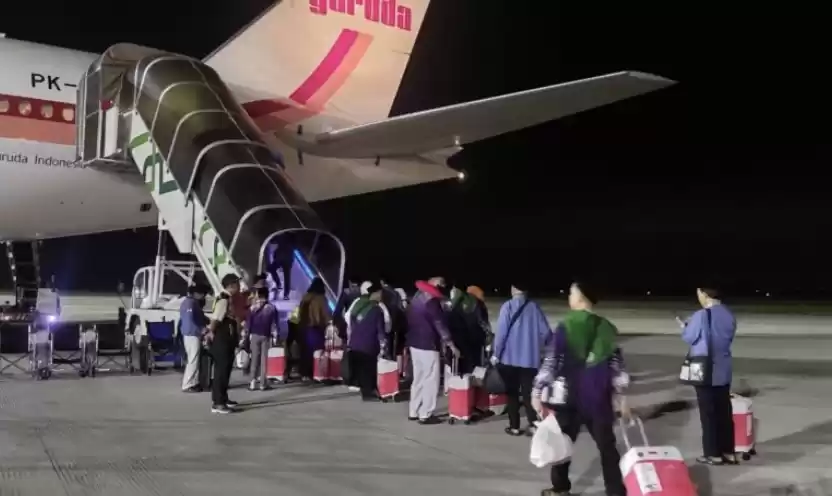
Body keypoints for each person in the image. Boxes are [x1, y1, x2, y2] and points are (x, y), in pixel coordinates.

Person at [532, 281, 629, 496]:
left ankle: (560, 488)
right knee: (607, 448)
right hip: (598, 397)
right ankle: (615, 491)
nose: (569, 297)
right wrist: (621, 398)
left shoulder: (566, 326)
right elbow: (617, 367)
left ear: (581, 297)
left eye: (571, 293)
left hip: (570, 396)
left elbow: (552, 362)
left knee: (561, 443)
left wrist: (537, 391)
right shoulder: (606, 328)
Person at [680, 286, 738, 465]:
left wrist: (685, 327)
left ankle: (713, 454)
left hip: (705, 369)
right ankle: (728, 452)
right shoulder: (729, 314)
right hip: (724, 369)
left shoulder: (701, 315)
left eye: (699, 294)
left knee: (708, 414)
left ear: (705, 295)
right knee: (724, 413)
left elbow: (690, 337)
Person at [491, 282, 550, 436]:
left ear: (513, 289)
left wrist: (496, 353)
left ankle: (514, 426)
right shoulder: (534, 308)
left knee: (512, 394)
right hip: (530, 360)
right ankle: (533, 425)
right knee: (529, 394)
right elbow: (546, 333)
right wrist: (542, 350)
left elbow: (501, 334)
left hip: (509, 359)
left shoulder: (507, 307)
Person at [406, 279, 459, 424]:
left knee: (418, 378)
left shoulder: (416, 298)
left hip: (414, 343)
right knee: (430, 379)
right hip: (428, 344)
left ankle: (413, 410)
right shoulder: (432, 303)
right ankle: (425, 414)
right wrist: (451, 345)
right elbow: (440, 325)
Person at [345, 281, 388, 400]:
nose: (381, 296)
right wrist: (383, 344)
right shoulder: (377, 309)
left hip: (355, 342)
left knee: (362, 368)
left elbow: (350, 320)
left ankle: (365, 391)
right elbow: (380, 329)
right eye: (380, 293)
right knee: (369, 368)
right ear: (375, 293)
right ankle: (369, 393)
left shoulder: (359, 304)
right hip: (369, 344)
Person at [207, 274, 242, 414]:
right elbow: (216, 319)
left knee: (225, 371)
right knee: (221, 372)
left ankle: (223, 398)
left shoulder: (227, 299)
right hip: (222, 340)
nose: (239, 286)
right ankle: (218, 403)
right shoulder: (224, 300)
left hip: (227, 340)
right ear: (231, 285)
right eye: (237, 284)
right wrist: (210, 333)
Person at [246, 286, 279, 391]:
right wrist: (275, 336)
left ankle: (252, 383)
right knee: (264, 360)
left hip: (254, 335)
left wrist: (248, 334)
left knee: (254, 359)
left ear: (258, 294)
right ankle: (263, 384)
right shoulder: (271, 307)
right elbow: (274, 323)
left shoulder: (253, 307)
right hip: (266, 335)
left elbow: (248, 322)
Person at [297, 277, 330, 381]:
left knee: (305, 351)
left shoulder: (305, 297)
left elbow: (298, 312)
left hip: (304, 327)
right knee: (317, 351)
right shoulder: (321, 299)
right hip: (316, 329)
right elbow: (326, 314)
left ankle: (304, 373)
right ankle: (316, 373)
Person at [180, 283, 209, 392]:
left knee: (194, 359)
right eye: (202, 294)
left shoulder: (190, 302)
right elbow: (191, 320)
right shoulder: (190, 303)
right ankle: (187, 384)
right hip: (192, 334)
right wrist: (202, 329)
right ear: (196, 293)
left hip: (191, 333)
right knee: (193, 359)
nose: (203, 296)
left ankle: (194, 382)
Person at [268, 235, 295, 301]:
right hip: (286, 258)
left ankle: (279, 285)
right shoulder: (290, 236)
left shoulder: (282, 235)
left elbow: (272, 241)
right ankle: (285, 293)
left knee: (272, 269)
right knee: (287, 276)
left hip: (282, 257)